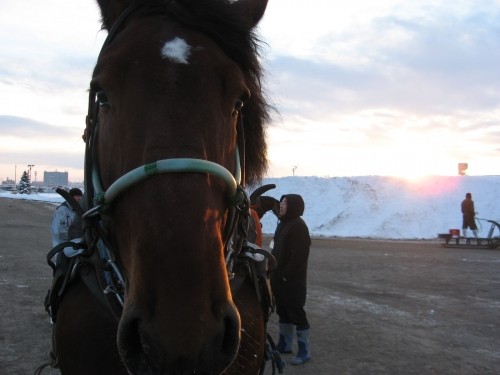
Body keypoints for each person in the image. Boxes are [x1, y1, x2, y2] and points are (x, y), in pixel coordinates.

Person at [270, 194, 311, 365]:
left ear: (294, 206)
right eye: (281, 202)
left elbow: (300, 256)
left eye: (285, 203)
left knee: (296, 312)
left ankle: (304, 350)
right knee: (283, 311)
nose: (281, 205)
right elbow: (275, 248)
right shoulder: (283, 224)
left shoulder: (299, 226)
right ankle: (285, 344)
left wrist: (286, 274)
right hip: (279, 277)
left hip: (292, 281)